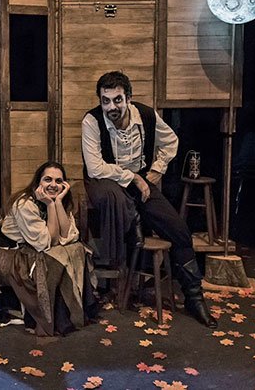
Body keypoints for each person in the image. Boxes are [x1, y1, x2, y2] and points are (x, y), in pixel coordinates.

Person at [81, 71, 217, 329]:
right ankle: (123, 266)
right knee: (115, 200)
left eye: (117, 100)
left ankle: (194, 298)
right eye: (105, 101)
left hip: (140, 180)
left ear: (129, 98)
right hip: (107, 181)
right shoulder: (92, 121)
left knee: (178, 229)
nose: (111, 107)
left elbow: (171, 141)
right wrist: (133, 177)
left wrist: (157, 169)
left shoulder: (145, 115)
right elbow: (95, 168)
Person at [0, 161, 98, 337]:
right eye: (47, 179)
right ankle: (49, 318)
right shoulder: (24, 204)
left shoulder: (59, 201)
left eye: (59, 181)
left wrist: (57, 203)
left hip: (34, 249)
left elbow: (69, 236)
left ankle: (71, 312)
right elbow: (46, 243)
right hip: (11, 256)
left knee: (76, 250)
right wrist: (50, 206)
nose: (53, 185)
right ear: (38, 182)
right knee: (57, 257)